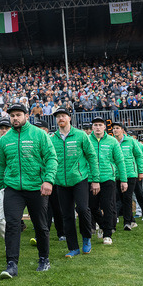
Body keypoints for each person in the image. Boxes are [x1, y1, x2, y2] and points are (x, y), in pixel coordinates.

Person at [0, 102, 57, 278]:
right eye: (12, 115)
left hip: (36, 187)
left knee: (41, 225)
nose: (15, 118)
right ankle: (11, 264)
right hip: (13, 189)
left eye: (18, 115)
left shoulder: (38, 135)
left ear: (26, 116)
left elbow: (51, 157)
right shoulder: (4, 140)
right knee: (12, 225)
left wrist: (48, 180)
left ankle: (44, 258)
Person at [49, 107, 100, 257]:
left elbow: (91, 156)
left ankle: (86, 238)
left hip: (79, 179)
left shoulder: (80, 135)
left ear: (69, 118)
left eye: (63, 116)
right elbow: (48, 160)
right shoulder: (52, 139)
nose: (60, 119)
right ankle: (73, 248)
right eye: (58, 116)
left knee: (83, 209)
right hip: (61, 183)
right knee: (67, 215)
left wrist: (95, 180)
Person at [88, 117, 125, 244]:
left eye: (100, 125)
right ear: (92, 127)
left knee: (107, 206)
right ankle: (103, 226)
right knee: (92, 206)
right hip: (91, 178)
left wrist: (124, 180)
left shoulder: (112, 141)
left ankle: (107, 234)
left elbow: (120, 161)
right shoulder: (86, 140)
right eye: (95, 125)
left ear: (104, 127)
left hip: (107, 177)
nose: (97, 127)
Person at [114, 123, 143, 224]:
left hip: (131, 173)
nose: (115, 130)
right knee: (121, 197)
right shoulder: (111, 142)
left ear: (123, 130)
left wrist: (141, 171)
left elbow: (139, 156)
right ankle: (131, 220)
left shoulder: (131, 141)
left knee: (133, 195)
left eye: (117, 128)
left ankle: (142, 214)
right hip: (117, 174)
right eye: (114, 128)